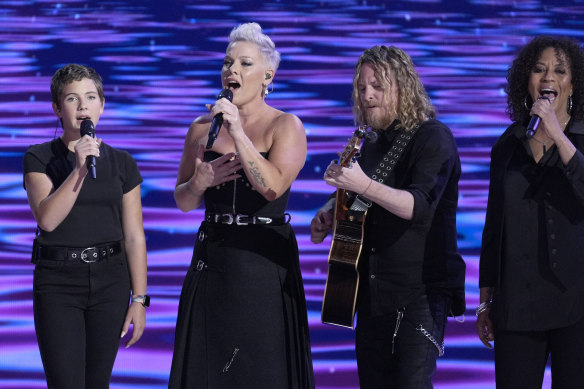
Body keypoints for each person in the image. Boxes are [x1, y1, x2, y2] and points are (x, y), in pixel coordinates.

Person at [168, 22, 314, 388]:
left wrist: (238, 132)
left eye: (244, 64)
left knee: (260, 369)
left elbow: (272, 187)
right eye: (228, 63)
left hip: (262, 263)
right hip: (213, 256)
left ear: (268, 75)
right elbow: (183, 200)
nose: (232, 70)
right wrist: (198, 183)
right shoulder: (202, 128)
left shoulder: (286, 126)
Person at [310, 45, 464, 388]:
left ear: (403, 87)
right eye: (362, 88)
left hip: (419, 292)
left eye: (378, 86)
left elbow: (417, 207)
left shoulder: (433, 137)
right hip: (372, 292)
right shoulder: (369, 142)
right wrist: (331, 210)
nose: (367, 95)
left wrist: (361, 183)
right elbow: (370, 197)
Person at [22, 64, 148, 389]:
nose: (83, 107)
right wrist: (78, 170)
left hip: (111, 281)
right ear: (56, 108)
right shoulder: (39, 158)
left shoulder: (122, 163)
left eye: (91, 97)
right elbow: (47, 218)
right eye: (72, 99)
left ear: (102, 106)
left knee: (97, 383)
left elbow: (134, 236)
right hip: (58, 283)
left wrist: (140, 299)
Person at [477, 35, 584, 388]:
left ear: (573, 83)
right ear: (527, 81)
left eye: (559, 70)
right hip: (517, 304)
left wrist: (558, 132)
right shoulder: (507, 144)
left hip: (578, 303)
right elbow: (493, 228)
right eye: (539, 70)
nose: (548, 77)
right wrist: (485, 301)